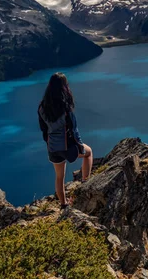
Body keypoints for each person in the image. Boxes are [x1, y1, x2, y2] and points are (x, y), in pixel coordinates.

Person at [38, 72, 93, 208]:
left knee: (59, 177)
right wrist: (79, 146)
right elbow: (74, 131)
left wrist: (50, 144)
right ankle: (86, 183)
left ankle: (63, 204)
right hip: (67, 147)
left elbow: (44, 130)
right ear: (64, 88)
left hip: (53, 148)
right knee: (89, 153)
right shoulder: (66, 108)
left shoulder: (42, 107)